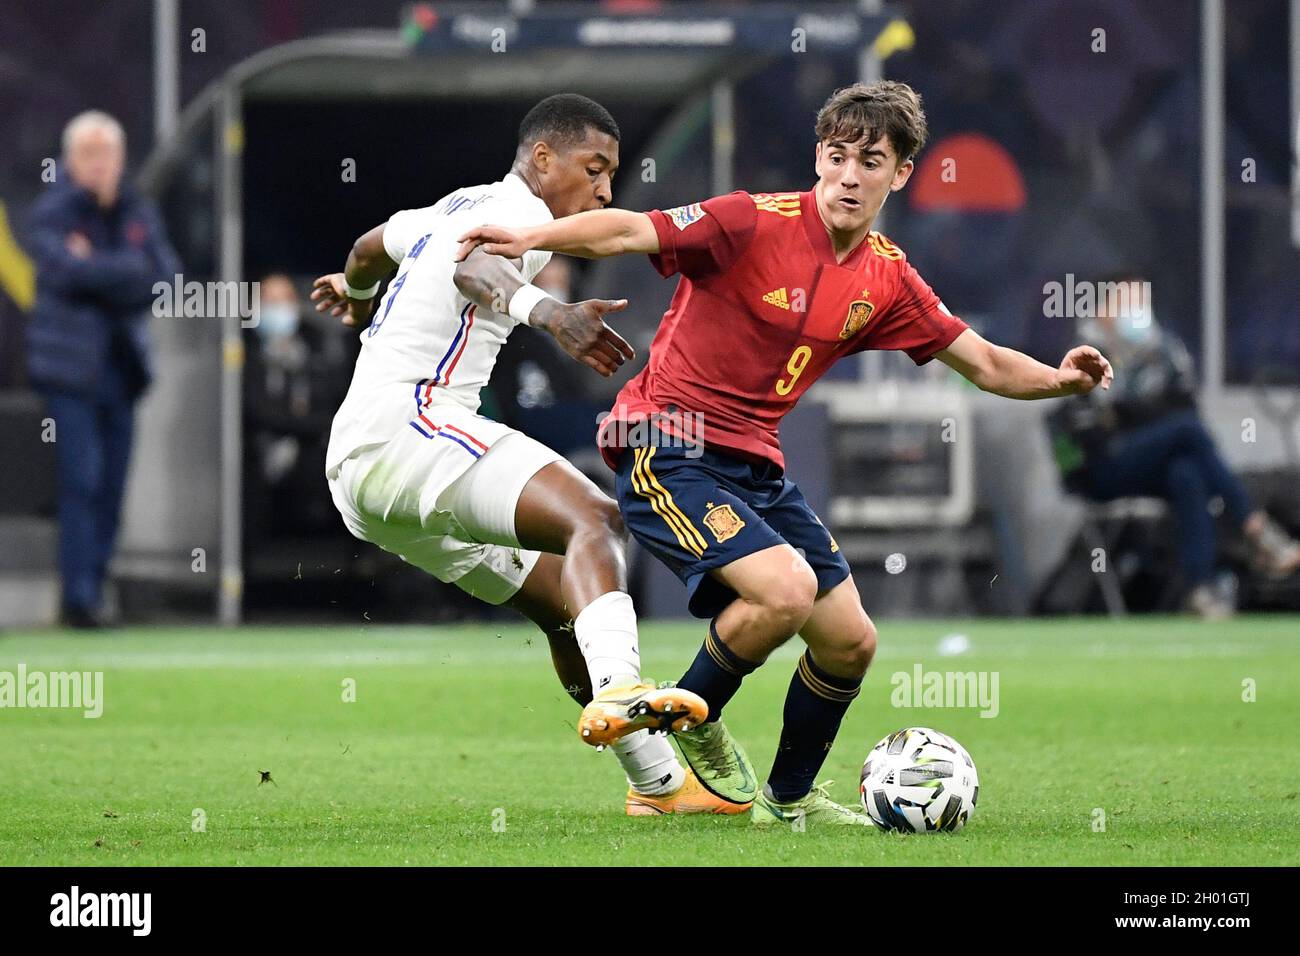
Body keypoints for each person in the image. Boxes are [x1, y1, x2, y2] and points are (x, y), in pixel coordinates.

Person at [456, 81, 1114, 825]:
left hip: (754, 468)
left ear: (900, 174)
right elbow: (627, 231)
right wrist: (529, 239)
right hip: (664, 444)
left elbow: (987, 364)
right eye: (837, 157)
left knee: (850, 643)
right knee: (785, 590)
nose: (849, 176)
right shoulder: (748, 221)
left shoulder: (888, 277)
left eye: (871, 161)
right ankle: (691, 721)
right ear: (818, 159)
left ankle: (788, 803)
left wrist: (1061, 379)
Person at [312, 94, 729, 816]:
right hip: (406, 426)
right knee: (595, 519)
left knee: (569, 606)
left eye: (611, 174)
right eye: (594, 169)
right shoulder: (525, 217)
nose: (604, 189)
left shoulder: (449, 207)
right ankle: (628, 690)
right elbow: (475, 272)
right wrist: (551, 314)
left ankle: (659, 784)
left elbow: (365, 247)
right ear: (543, 159)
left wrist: (355, 296)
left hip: (365, 477)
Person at [1050, 274, 1300, 617]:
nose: (1136, 312)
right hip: (1102, 468)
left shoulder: (1164, 352)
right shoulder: (1082, 351)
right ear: (1103, 309)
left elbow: (1183, 406)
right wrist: (1145, 415)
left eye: (1141, 303)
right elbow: (1091, 429)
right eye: (1126, 304)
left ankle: (1201, 590)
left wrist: (1131, 414)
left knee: (1187, 472)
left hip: (1149, 462)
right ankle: (1255, 528)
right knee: (1184, 433)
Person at [24, 110, 180, 629]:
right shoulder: (51, 212)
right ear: (70, 162)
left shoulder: (139, 210)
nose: (98, 165)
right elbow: (63, 271)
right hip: (69, 373)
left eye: (106, 154)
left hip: (123, 371)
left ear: (120, 158)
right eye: (87, 155)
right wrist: (123, 270)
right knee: (81, 482)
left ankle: (96, 588)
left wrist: (99, 268)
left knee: (113, 486)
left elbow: (164, 276)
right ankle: (78, 597)